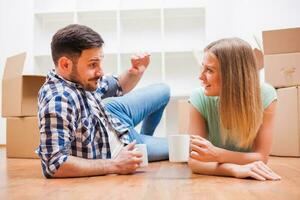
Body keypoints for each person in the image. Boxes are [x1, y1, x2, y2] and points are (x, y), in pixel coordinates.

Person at [37, 24, 170, 178]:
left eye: (100, 62)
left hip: (112, 115)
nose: (101, 71)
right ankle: (141, 147)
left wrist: (136, 71)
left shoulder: (78, 79)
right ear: (65, 64)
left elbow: (118, 84)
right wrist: (115, 164)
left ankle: (144, 143)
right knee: (185, 146)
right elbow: (55, 165)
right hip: (121, 145)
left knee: (164, 90)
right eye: (93, 64)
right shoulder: (59, 101)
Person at [187, 38, 281, 181]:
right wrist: (234, 169)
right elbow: (194, 161)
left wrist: (216, 155)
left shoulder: (265, 95)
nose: (200, 77)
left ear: (232, 75)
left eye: (209, 70)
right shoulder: (198, 97)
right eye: (203, 67)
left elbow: (261, 157)